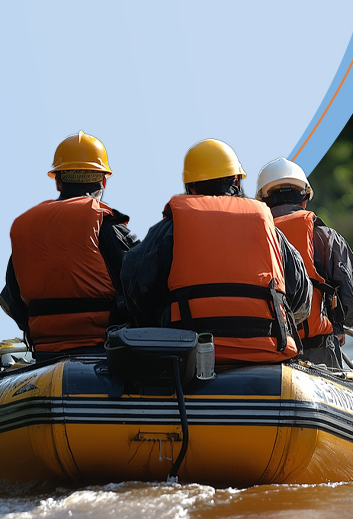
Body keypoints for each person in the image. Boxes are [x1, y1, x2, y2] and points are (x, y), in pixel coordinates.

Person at [121, 139, 311, 364]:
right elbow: (301, 298)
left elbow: (136, 289)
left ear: (191, 188)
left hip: (188, 352)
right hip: (265, 349)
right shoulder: (268, 228)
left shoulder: (169, 230)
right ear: (236, 183)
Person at [0, 132, 140, 356]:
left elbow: (12, 301)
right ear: (103, 181)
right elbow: (139, 286)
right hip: (104, 350)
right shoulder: (105, 225)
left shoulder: (26, 229)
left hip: (45, 353)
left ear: (58, 182)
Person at [255, 157, 353, 368]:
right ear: (304, 199)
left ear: (262, 202)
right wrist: (337, 324)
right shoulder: (325, 237)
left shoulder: (252, 238)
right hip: (318, 351)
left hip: (267, 353)